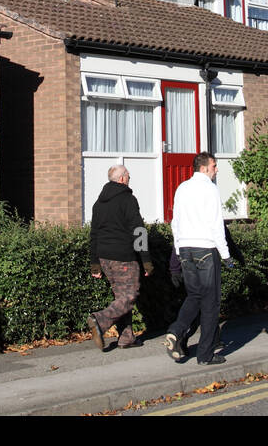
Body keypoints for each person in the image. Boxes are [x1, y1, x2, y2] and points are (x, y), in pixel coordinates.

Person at [165, 152, 231, 364]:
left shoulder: (182, 188)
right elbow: (216, 224)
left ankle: (176, 330)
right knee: (211, 304)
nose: (216, 169)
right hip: (205, 248)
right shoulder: (210, 189)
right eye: (214, 166)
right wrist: (226, 254)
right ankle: (205, 355)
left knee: (194, 296)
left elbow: (175, 222)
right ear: (204, 168)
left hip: (185, 248)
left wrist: (178, 249)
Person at [87, 165, 152, 350]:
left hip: (105, 258)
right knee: (130, 295)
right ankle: (99, 320)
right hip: (123, 257)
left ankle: (126, 338)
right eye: (128, 175)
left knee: (121, 297)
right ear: (122, 179)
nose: (130, 177)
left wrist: (95, 263)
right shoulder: (127, 199)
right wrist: (146, 260)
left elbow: (94, 234)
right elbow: (138, 230)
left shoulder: (98, 203)